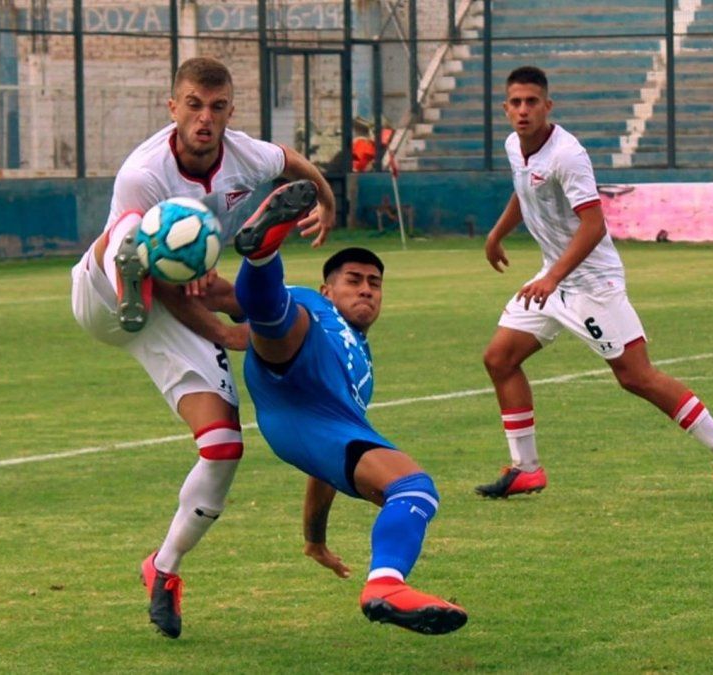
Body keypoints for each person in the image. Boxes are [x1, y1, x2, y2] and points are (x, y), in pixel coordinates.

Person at [70, 56, 335, 639]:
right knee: (136, 239)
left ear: (229, 111)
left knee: (223, 449)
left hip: (169, 311)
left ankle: (162, 570)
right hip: (105, 299)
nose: (204, 118)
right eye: (193, 105)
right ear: (173, 107)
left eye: (216, 107)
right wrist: (220, 330)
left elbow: (288, 160)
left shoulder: (244, 152)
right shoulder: (143, 171)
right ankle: (141, 269)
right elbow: (181, 293)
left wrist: (327, 198)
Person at [475, 66, 713, 504]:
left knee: (636, 377)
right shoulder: (515, 146)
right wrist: (497, 234)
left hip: (592, 284)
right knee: (500, 358)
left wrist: (552, 277)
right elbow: (524, 191)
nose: (523, 110)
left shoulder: (568, 155)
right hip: (553, 280)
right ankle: (526, 469)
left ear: (548, 106)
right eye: (515, 102)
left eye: (532, 102)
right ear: (505, 108)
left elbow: (593, 225)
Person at [227, 188, 468, 635]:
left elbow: (325, 465)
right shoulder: (315, 303)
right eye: (354, 280)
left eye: (374, 284)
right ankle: (262, 254)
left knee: (415, 490)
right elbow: (226, 302)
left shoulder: (364, 367)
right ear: (328, 288)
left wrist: (315, 539)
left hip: (316, 419)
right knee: (280, 314)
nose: (366, 289)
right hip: (293, 366)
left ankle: (385, 585)